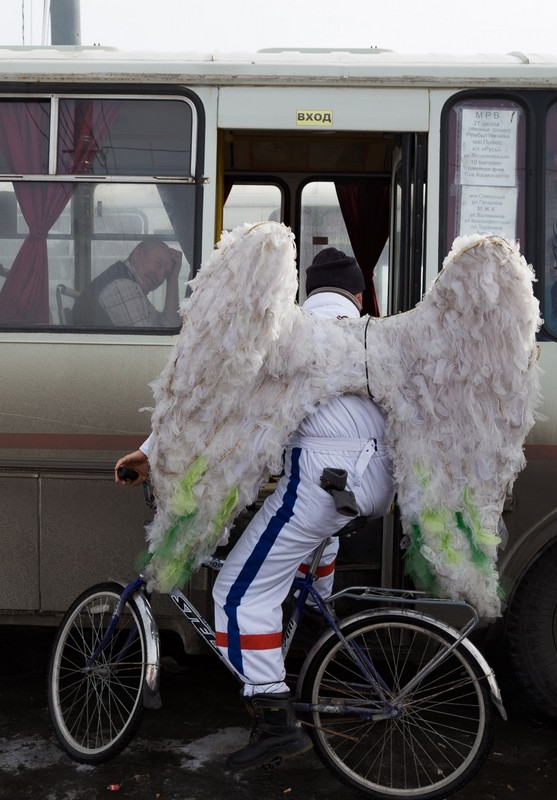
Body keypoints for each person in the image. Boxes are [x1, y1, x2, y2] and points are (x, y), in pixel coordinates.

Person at [114, 247, 395, 772]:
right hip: (378, 485)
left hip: (324, 480)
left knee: (237, 593)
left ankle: (275, 724)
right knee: (312, 545)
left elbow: (213, 397)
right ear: (359, 295)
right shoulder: (376, 336)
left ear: (307, 291)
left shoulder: (291, 332)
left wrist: (151, 452)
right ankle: (317, 635)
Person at [71, 236, 182, 327]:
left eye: (166, 274)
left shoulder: (129, 281)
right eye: (158, 264)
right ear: (137, 254)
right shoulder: (124, 286)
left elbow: (168, 326)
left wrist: (172, 279)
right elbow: (150, 341)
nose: (160, 276)